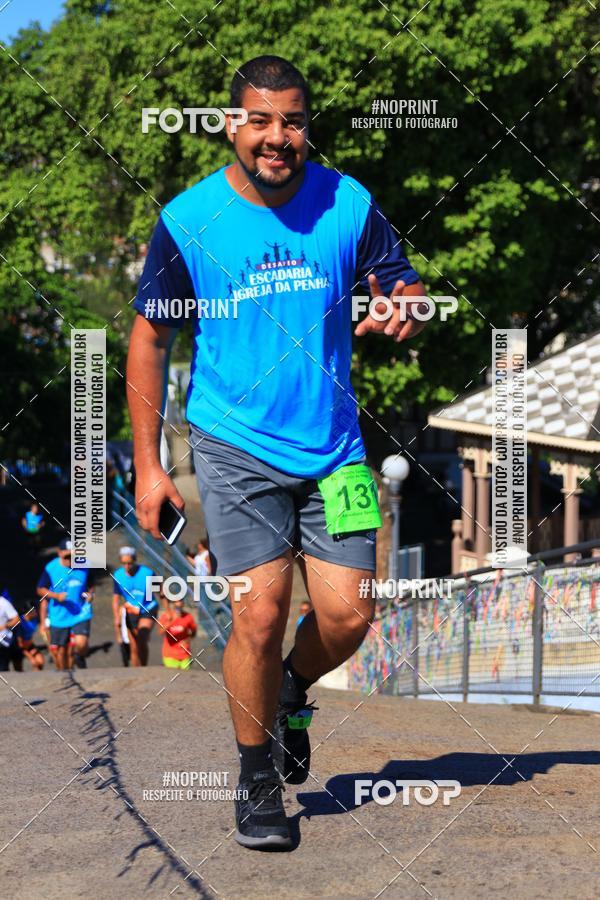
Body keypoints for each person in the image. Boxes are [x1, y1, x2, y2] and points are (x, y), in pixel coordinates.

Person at [127, 55, 426, 849]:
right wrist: (151, 466)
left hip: (335, 451)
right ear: (231, 124)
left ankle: (291, 687)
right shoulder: (190, 219)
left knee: (351, 615)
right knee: (259, 615)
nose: (276, 136)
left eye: (292, 121)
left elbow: (402, 284)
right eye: (259, 120)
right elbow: (149, 340)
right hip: (235, 450)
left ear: (306, 127)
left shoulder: (347, 202)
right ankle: (256, 777)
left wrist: (406, 305)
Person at [36, 538, 94, 670]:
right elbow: (40, 590)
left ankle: (80, 656)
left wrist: (90, 595)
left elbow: (90, 586)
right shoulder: (51, 568)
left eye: (73, 556)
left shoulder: (85, 565)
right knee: (60, 652)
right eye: (67, 556)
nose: (70, 560)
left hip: (80, 612)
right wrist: (56, 596)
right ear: (59, 553)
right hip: (59, 615)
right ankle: (64, 673)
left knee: (81, 644)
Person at [111, 546, 157, 666]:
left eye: (130, 563)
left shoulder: (147, 573)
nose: (127, 566)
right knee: (134, 645)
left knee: (141, 638)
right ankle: (137, 672)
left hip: (148, 608)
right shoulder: (118, 575)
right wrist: (116, 617)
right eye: (124, 563)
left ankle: (144, 668)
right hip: (131, 610)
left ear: (135, 560)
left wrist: (168, 611)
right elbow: (116, 598)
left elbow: (161, 590)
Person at [157, 596, 197, 669]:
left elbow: (194, 632)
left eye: (180, 601)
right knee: (173, 675)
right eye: (176, 602)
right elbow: (160, 631)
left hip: (184, 654)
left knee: (185, 675)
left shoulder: (188, 616)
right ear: (172, 604)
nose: (179, 604)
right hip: (170, 655)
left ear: (183, 604)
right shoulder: (166, 616)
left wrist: (187, 640)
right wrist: (172, 620)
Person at [0, 589, 22, 672]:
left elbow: (16, 619)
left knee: (3, 669)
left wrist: (5, 625)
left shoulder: (3, 603)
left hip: (3, 640)